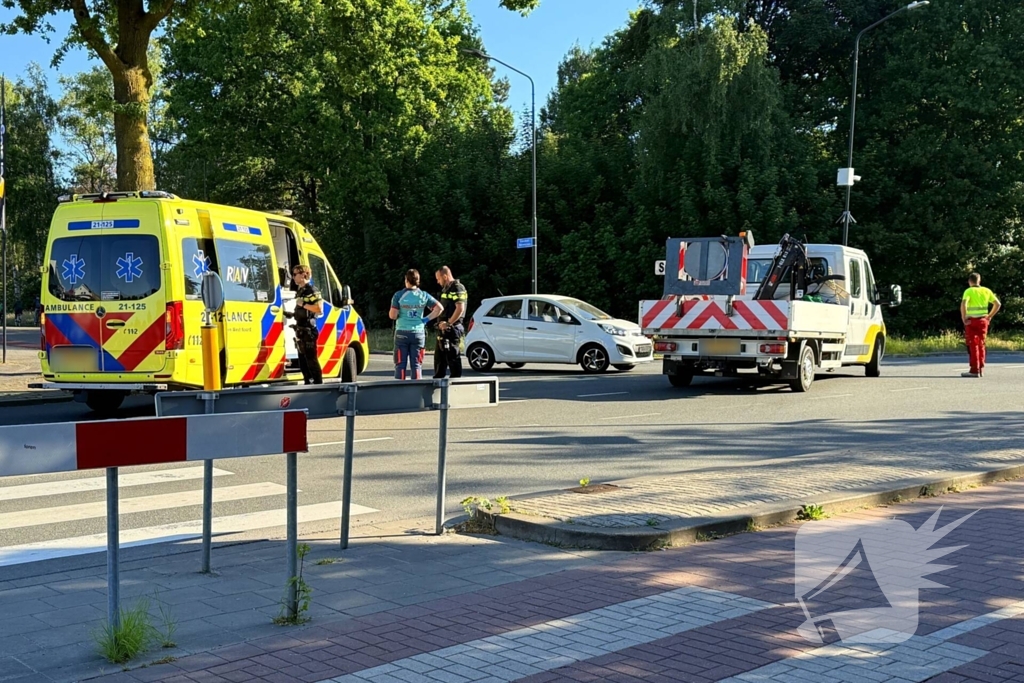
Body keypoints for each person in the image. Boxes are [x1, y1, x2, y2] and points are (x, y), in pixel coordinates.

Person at [390, 269, 443, 380]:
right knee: (417, 364)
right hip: (418, 333)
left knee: (400, 364)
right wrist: (425, 319)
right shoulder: (423, 295)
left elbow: (393, 316)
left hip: (402, 332)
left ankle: (400, 388)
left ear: (406, 280)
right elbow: (439, 308)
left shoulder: (398, 295)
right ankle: (417, 388)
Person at [286, 264, 324, 384]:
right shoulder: (301, 291)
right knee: (303, 361)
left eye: (295, 274)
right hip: (300, 329)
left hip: (309, 330)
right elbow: (303, 310)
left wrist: (303, 304)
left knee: (311, 360)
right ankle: (308, 383)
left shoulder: (312, 290)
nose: (293, 277)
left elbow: (319, 309)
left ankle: (318, 384)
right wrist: (293, 314)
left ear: (304, 275)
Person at [960, 272, 1000, 378]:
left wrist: (964, 318)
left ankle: (974, 370)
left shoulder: (969, 291)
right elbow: (998, 304)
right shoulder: (986, 291)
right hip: (983, 321)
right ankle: (981, 369)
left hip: (971, 321)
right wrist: (990, 316)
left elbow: (964, 304)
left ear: (969, 281)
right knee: (981, 344)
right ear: (979, 281)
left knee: (973, 345)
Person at [432, 266, 468, 379]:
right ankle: (438, 382)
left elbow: (460, 309)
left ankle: (454, 383)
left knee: (453, 358)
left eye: (438, 278)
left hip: (452, 328)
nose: (438, 281)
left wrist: (448, 323)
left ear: (445, 276)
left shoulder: (457, 288)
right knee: (439, 360)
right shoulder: (446, 289)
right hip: (443, 329)